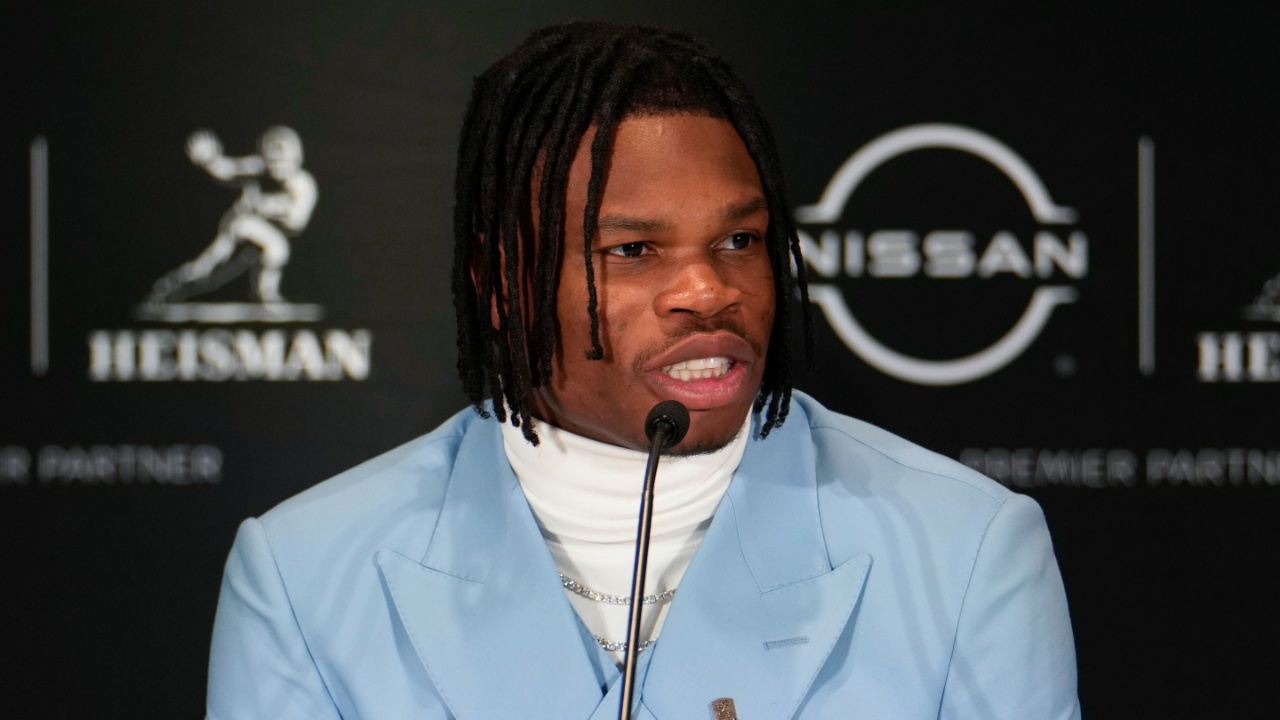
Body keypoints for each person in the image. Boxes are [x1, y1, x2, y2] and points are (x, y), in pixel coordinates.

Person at [206, 21, 1079, 719]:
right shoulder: (306, 575)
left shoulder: (966, 551)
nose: (709, 290)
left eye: (740, 240)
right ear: (499, 283)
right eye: (633, 249)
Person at [149, 126, 317, 305]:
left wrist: (266, 207)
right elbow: (229, 168)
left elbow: (296, 223)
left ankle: (266, 295)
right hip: (240, 227)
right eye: (271, 158)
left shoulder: (304, 185)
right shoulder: (258, 168)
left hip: (263, 232)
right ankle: (170, 286)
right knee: (213, 269)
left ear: (296, 157)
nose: (276, 164)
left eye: (281, 158)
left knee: (272, 250)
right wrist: (210, 160)